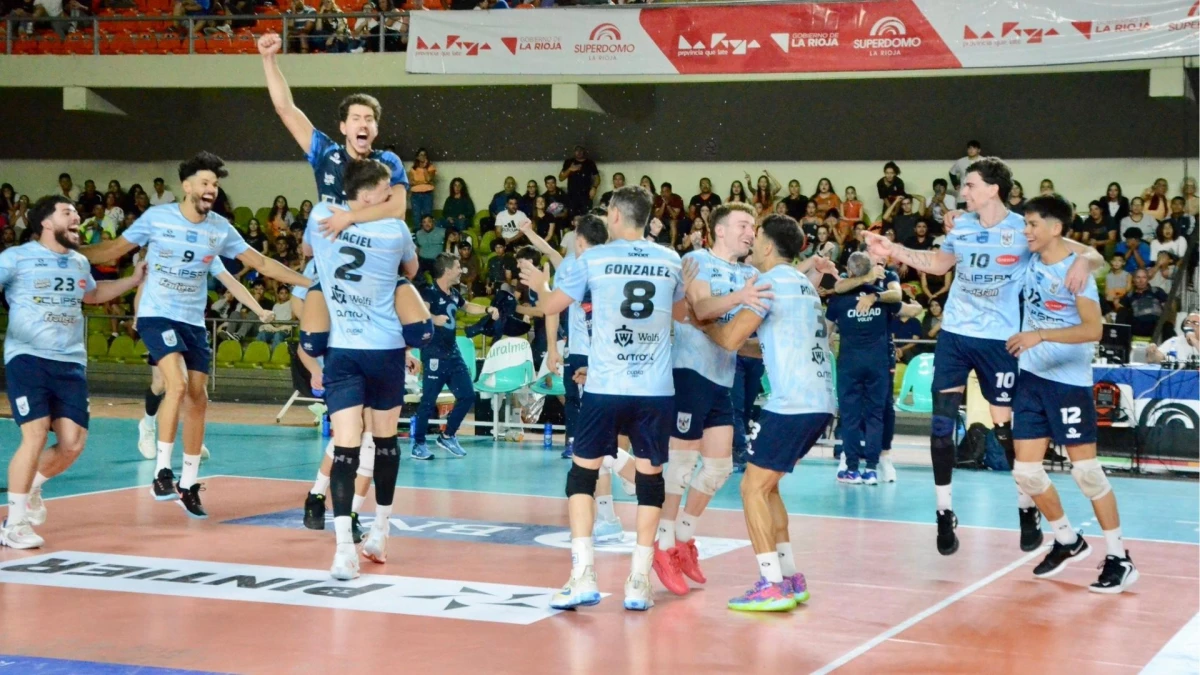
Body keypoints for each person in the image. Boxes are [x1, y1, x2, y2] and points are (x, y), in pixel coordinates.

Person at [865, 157, 1104, 556]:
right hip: (956, 336)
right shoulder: (962, 227)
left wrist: (1083, 259)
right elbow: (939, 264)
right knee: (941, 427)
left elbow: (1088, 253)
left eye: (970, 185)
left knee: (1005, 429)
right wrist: (894, 249)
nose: (963, 192)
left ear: (993, 189)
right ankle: (944, 513)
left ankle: (1026, 508)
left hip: (1001, 342)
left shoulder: (1024, 230)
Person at [82, 153, 309, 519]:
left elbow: (260, 264)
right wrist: (67, 251)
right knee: (175, 384)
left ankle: (188, 483)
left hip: (192, 320)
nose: (210, 190)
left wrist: (309, 282)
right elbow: (113, 250)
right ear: (186, 186)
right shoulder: (158, 218)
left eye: (215, 185)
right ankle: (162, 472)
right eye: (204, 183)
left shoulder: (218, 229)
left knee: (198, 396)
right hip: (158, 315)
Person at [519, 185, 683, 612]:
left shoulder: (592, 258)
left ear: (613, 215)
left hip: (604, 385)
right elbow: (682, 313)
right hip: (654, 389)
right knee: (650, 483)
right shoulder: (670, 259)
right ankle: (638, 582)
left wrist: (540, 284)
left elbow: (552, 305)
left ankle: (582, 575)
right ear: (646, 217)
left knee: (582, 477)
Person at [692, 214, 834, 611]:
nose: (751, 244)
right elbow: (766, 345)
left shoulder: (769, 283)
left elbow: (731, 338)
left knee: (751, 488)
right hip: (819, 400)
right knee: (768, 487)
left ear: (769, 247)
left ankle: (771, 583)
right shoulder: (804, 284)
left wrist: (700, 324)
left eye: (757, 239)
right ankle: (789, 576)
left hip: (794, 403)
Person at [1005, 194, 1138, 593]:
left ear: (1056, 228)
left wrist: (1040, 333)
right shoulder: (1030, 261)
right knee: (1025, 471)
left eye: (1033, 225)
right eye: (1025, 224)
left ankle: (1119, 556)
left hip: (1068, 382)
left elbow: (1094, 330)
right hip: (1031, 379)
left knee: (1087, 472)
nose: (1026, 231)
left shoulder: (1075, 274)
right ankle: (1066, 539)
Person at [0, 197, 147, 549]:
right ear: (46, 223)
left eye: (76, 213)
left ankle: (33, 486)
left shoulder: (79, 262)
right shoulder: (15, 259)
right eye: (68, 213)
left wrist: (133, 279)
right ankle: (13, 523)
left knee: (72, 445)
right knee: (34, 436)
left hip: (69, 363)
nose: (77, 217)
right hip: (28, 357)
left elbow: (93, 295)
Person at [305, 159, 420, 580]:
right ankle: (378, 533)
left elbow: (306, 252)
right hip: (385, 349)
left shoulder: (321, 216)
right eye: (387, 187)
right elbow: (411, 272)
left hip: (344, 349)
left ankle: (344, 553)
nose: (392, 193)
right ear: (369, 192)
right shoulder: (397, 231)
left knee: (346, 445)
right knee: (384, 442)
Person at [653, 202, 771, 597]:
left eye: (753, 226)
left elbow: (736, 338)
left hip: (722, 376)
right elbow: (701, 309)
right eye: (742, 225)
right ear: (719, 230)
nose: (750, 232)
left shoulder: (751, 273)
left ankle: (684, 538)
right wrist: (740, 295)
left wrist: (769, 350)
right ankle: (663, 545)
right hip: (689, 373)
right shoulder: (697, 259)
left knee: (719, 468)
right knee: (682, 465)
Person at [411, 252, 496, 460]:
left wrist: (487, 308)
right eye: (458, 267)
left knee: (467, 395)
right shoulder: (429, 293)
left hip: (453, 352)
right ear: (447, 270)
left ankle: (447, 435)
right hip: (433, 354)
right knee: (428, 401)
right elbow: (417, 315)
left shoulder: (454, 293)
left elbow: (467, 307)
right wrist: (433, 319)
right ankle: (418, 444)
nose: (461, 270)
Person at [825, 252, 900, 485]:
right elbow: (901, 303)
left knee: (850, 417)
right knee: (875, 415)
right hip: (877, 364)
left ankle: (851, 469)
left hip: (850, 364)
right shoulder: (884, 299)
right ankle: (871, 470)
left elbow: (827, 332)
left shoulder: (838, 300)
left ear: (849, 269)